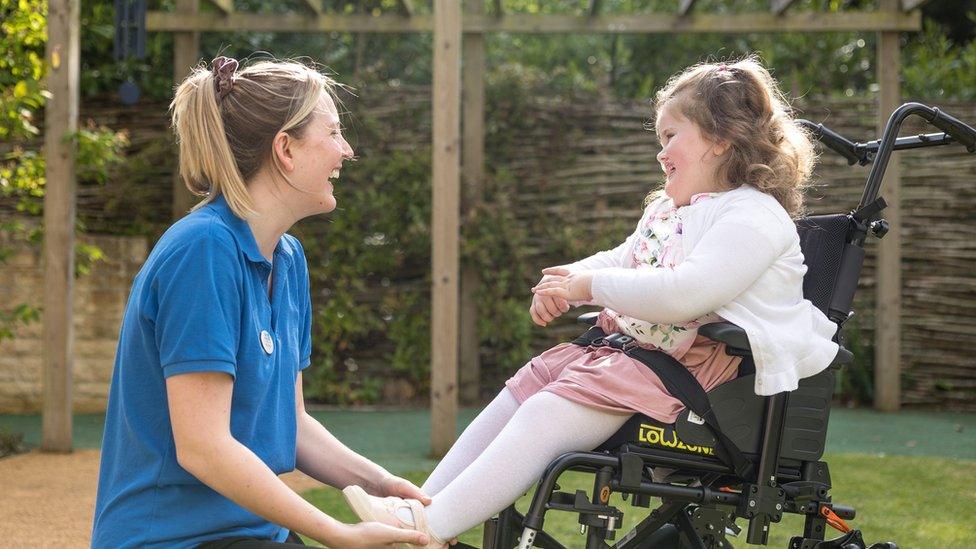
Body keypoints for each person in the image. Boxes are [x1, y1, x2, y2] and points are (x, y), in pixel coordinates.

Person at [340, 57, 841, 547]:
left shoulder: (754, 217)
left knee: (543, 414)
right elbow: (622, 257)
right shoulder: (674, 211)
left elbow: (686, 293)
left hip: (701, 379)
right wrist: (568, 277)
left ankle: (428, 528)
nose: (660, 151)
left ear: (719, 139)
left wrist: (587, 288)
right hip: (638, 355)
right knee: (522, 391)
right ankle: (417, 509)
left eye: (671, 136)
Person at [91, 57, 434, 549]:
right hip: (171, 539)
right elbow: (203, 448)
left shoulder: (287, 258)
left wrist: (381, 484)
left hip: (248, 534)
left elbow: (291, 426)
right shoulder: (203, 250)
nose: (347, 150)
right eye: (334, 133)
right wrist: (336, 532)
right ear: (285, 149)